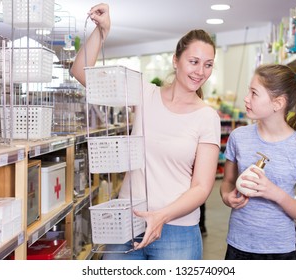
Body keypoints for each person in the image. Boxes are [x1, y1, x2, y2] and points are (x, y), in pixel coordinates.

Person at [71, 3, 221, 260]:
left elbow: (201, 187)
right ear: (176, 60)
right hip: (129, 222)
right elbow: (80, 73)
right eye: (194, 61)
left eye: (208, 65)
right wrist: (102, 31)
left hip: (177, 231)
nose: (200, 72)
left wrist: (161, 216)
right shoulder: (144, 92)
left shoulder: (207, 117)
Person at [220, 64, 296, 260]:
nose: (246, 98)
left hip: (280, 252)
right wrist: (226, 196)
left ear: (278, 103)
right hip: (238, 247)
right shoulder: (238, 137)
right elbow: (227, 183)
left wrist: (274, 193)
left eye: (254, 93)